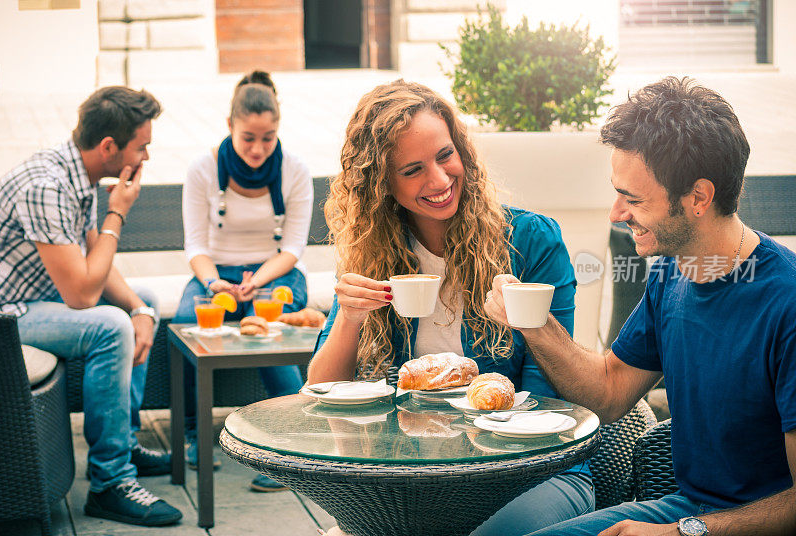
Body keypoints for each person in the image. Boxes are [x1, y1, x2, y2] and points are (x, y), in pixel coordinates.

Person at [483, 77, 796, 536]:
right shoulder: (672, 272)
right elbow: (607, 393)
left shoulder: (785, 301)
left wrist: (684, 532)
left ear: (698, 198)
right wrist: (531, 324)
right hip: (685, 508)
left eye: (632, 199)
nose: (615, 213)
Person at [307, 80, 594, 535]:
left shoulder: (530, 241)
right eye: (413, 169)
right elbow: (322, 392)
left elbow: (552, 401)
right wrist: (349, 317)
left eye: (445, 156)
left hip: (530, 474)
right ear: (381, 184)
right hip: (415, 478)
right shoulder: (374, 251)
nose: (439, 180)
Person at [0, 87, 182, 526]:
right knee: (110, 326)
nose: (147, 157)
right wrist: (117, 212)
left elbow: (93, 254)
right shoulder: (47, 185)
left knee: (142, 305)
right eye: (143, 147)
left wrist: (141, 308)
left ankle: (124, 441)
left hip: (37, 299)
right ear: (108, 148)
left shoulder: (76, 174)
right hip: (7, 314)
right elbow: (81, 294)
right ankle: (110, 482)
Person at [172, 70, 313, 492]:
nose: (257, 148)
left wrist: (258, 282)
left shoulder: (294, 170)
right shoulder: (203, 168)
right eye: (248, 137)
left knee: (268, 332)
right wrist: (215, 284)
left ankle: (292, 445)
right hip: (214, 275)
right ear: (230, 126)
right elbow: (195, 245)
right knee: (186, 324)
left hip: (275, 270)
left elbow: (293, 247)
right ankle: (197, 435)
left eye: (268, 137)